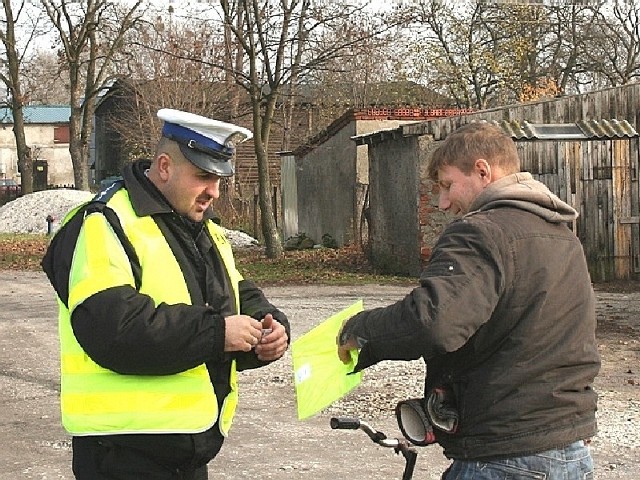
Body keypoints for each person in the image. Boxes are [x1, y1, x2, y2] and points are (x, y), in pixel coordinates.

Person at [337, 121, 600, 479]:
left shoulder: (481, 232)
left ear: (482, 171)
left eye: (447, 186)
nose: (444, 203)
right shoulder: (561, 235)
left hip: (507, 457)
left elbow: (434, 322)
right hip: (568, 450)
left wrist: (360, 329)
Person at [42, 109, 290, 480]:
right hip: (122, 452)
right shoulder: (107, 222)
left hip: (185, 453)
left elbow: (234, 290)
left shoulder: (198, 225)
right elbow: (113, 328)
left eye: (219, 179)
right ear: (164, 167)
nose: (213, 192)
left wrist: (269, 328)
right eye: (203, 176)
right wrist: (217, 334)